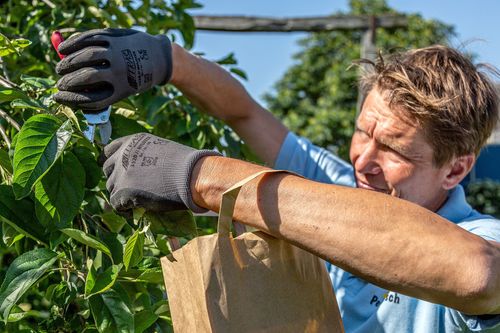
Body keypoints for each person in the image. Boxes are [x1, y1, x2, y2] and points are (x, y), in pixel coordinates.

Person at [54, 28, 500, 332]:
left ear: (456, 168)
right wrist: (167, 59)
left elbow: (479, 274)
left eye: (395, 151)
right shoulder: (340, 186)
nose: (364, 159)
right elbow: (243, 112)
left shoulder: (479, 237)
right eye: (363, 132)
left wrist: (200, 176)